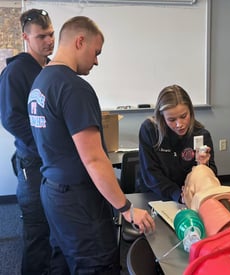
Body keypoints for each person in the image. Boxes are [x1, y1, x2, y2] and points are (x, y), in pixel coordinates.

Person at [27, 16, 155, 274]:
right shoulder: (74, 87)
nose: (96, 61)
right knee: (97, 265)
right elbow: (94, 159)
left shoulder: (41, 81)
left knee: (62, 260)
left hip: (52, 193)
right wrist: (127, 209)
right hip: (77, 200)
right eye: (96, 52)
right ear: (80, 41)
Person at [0, 9, 55, 274]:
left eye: (52, 34)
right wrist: (44, 145)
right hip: (32, 164)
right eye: (42, 36)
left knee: (52, 231)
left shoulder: (49, 68)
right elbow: (12, 120)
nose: (49, 41)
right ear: (26, 37)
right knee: (36, 233)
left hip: (51, 162)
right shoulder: (17, 71)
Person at [138, 84, 217, 202]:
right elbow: (151, 174)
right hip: (156, 195)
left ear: (190, 111)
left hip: (189, 198)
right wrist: (177, 195)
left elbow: (212, 174)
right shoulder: (149, 130)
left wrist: (204, 166)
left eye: (184, 116)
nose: (179, 124)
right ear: (162, 117)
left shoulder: (201, 134)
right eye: (172, 120)